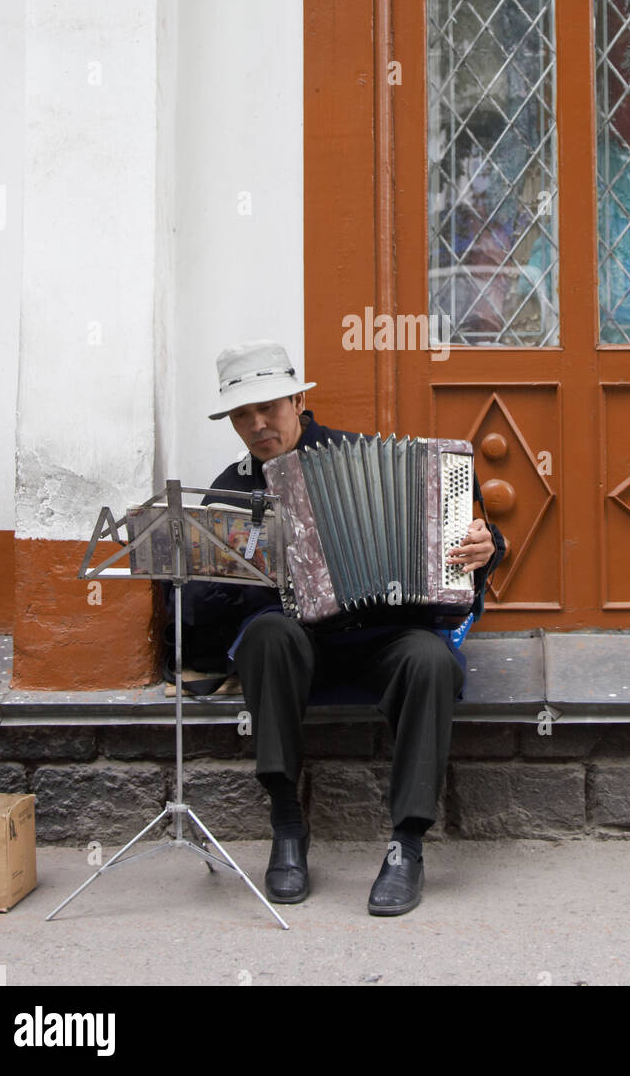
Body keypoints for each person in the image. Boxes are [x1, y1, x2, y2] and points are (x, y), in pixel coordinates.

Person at [182, 339, 504, 917]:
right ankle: (286, 825)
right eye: (242, 415)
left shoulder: (370, 457)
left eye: (270, 408)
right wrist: (235, 568)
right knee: (267, 635)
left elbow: (471, 539)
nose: (257, 425)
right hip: (299, 649)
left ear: (299, 400)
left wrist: (488, 546)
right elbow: (203, 611)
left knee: (430, 660)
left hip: (383, 639)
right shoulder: (232, 489)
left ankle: (406, 845)